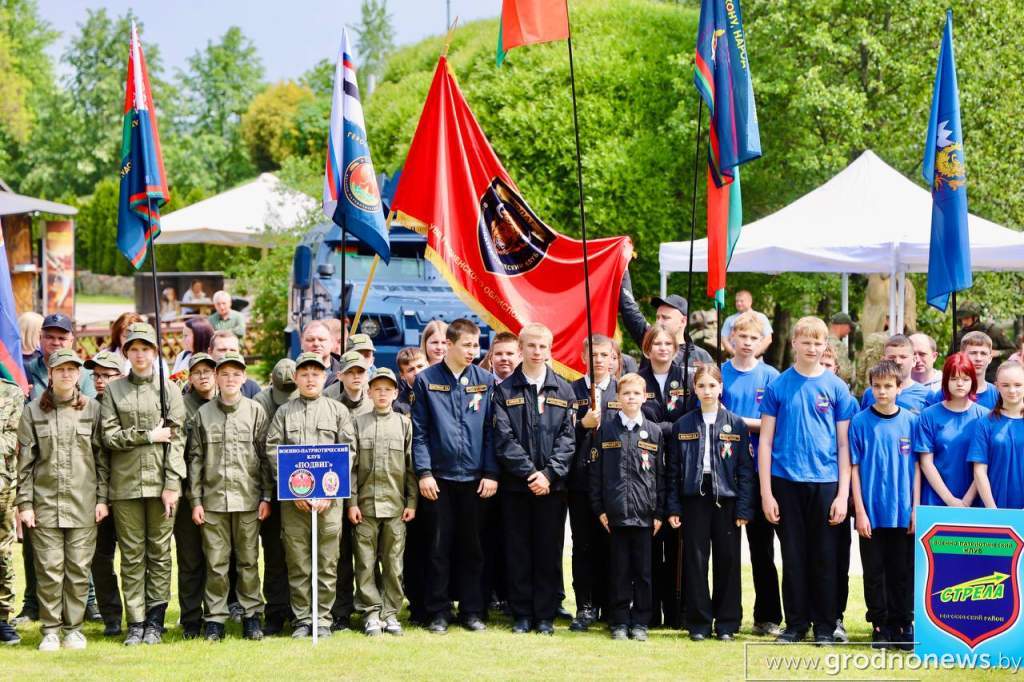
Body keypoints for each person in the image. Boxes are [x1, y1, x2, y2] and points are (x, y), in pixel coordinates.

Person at [758, 316, 857, 644]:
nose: (813, 348)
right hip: (785, 482)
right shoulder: (778, 386)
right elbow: (766, 442)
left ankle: (826, 627)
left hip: (826, 483)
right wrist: (766, 493)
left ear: (826, 346)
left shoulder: (836, 388)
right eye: (807, 342)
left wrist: (843, 495)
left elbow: (844, 445)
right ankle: (796, 624)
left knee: (825, 558)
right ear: (794, 344)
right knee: (794, 557)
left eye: (819, 343)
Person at [99, 322, 187, 646]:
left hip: (160, 485)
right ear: (126, 353)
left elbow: (177, 440)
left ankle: (155, 620)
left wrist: (172, 484)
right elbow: (108, 437)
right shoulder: (113, 390)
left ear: (154, 352)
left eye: (145, 348)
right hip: (125, 487)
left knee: (161, 554)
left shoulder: (170, 390)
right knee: (132, 555)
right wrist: (148, 436)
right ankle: (135, 621)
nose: (139, 355)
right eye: (133, 349)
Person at [411, 318, 497, 634]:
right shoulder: (426, 380)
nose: (473, 351)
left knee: (472, 549)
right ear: (449, 344)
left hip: (475, 479)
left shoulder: (485, 380)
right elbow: (419, 432)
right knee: (437, 548)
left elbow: (491, 430)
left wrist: (490, 472)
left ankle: (472, 611)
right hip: (439, 479)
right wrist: (424, 472)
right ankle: (438, 611)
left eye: (476, 345)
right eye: (467, 345)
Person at [15, 349, 105, 651]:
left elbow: (101, 460)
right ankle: (51, 630)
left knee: (79, 569)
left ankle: (74, 629)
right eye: (60, 369)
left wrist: (102, 499)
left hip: (83, 503)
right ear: (50, 373)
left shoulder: (91, 410)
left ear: (79, 374)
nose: (66, 374)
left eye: (72, 369)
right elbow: (24, 465)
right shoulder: (33, 412)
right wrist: (25, 505)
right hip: (45, 505)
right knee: (50, 569)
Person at [493, 323, 575, 636]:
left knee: (548, 551)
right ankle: (522, 614)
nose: (536, 352)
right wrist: (530, 473)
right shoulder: (505, 390)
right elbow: (504, 439)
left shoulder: (563, 390)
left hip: (552, 489)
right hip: (517, 486)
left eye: (542, 347)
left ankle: (544, 615)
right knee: (518, 550)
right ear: (521, 349)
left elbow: (568, 439)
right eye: (531, 346)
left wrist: (549, 474)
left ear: (549, 349)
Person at [266, 352, 354, 639]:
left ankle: (323, 619)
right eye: (304, 373)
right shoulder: (284, 413)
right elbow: (273, 451)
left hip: (329, 503)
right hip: (296, 504)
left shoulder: (338, 411)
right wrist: (293, 492)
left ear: (325, 375)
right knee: (298, 561)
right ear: (296, 378)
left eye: (316, 373)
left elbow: (349, 452)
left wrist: (331, 491)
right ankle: (303, 619)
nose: (310, 378)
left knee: (327, 562)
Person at [188, 351, 271, 642]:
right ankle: (215, 619)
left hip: (248, 500)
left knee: (248, 561)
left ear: (244, 377)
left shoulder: (255, 411)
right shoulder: (203, 414)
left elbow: (264, 457)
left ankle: (251, 616)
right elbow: (195, 460)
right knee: (216, 564)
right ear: (217, 378)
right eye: (225, 374)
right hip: (213, 502)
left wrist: (266, 496)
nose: (231, 379)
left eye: (236, 374)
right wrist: (196, 501)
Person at [668, 364, 753, 641]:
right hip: (695, 497)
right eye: (702, 386)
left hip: (726, 499)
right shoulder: (684, 424)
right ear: (694, 389)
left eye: (712, 385)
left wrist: (743, 507)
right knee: (695, 560)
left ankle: (727, 623)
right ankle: (699, 623)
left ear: (721, 388)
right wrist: (674, 506)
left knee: (727, 561)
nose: (707, 391)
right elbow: (673, 470)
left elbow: (744, 470)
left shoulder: (736, 423)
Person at [720, 312, 782, 637]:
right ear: (731, 339)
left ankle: (768, 615)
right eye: (741, 336)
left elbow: (774, 424)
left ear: (762, 342)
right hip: (725, 471)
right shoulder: (720, 374)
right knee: (727, 551)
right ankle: (726, 615)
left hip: (759, 472)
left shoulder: (772, 377)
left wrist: (737, 423)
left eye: (752, 338)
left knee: (762, 549)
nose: (746, 343)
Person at [590, 372, 664, 641]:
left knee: (644, 573)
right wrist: (600, 509)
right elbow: (595, 473)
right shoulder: (606, 430)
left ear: (644, 397)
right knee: (619, 571)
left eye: (636, 394)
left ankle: (641, 622)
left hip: (645, 516)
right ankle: (619, 621)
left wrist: (659, 513)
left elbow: (661, 476)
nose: (631, 398)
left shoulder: (654, 432)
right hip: (616, 514)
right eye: (626, 394)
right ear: (618, 398)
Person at [850, 360, 918, 650]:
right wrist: (860, 511)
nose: (882, 391)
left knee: (902, 572)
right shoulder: (860, 422)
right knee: (874, 573)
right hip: (872, 513)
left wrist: (916, 508)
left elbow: (918, 468)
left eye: (888, 386)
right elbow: (853, 468)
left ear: (899, 388)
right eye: (876, 386)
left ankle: (902, 624)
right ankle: (880, 625)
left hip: (903, 512)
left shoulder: (913, 421)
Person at [347, 368, 415, 637]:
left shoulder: (404, 424)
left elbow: (412, 469)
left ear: (396, 393)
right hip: (364, 507)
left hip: (396, 507)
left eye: (388, 389)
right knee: (364, 563)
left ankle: (390, 613)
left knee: (394, 563)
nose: (383, 393)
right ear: (369, 392)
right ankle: (371, 612)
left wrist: (413, 503)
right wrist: (351, 503)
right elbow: (350, 468)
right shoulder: (357, 424)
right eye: (377, 389)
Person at [637, 324, 693, 628]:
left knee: (677, 547)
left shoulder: (686, 379)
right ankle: (649, 612)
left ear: (676, 348)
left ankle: (677, 612)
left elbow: (689, 422)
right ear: (647, 348)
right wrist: (669, 428)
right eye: (655, 343)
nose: (662, 348)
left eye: (667, 343)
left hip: (680, 468)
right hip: (645, 469)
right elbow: (642, 423)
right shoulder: (637, 381)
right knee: (648, 545)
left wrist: (663, 427)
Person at [567, 335, 617, 632]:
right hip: (581, 480)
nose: (599, 360)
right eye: (593, 355)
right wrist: (580, 424)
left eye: (604, 355)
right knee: (583, 545)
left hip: (613, 481)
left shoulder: (622, 390)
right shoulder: (570, 390)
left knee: (611, 545)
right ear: (584, 357)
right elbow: (558, 434)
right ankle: (586, 606)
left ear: (613, 358)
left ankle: (611, 604)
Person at [325, 351, 371, 630]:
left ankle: (370, 609)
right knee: (339, 555)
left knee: (369, 557)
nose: (356, 376)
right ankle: (340, 611)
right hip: (337, 492)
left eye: (361, 371)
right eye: (350, 372)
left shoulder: (378, 404)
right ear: (340, 375)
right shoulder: (329, 404)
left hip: (370, 493)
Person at [251, 358, 297, 636]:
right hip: (270, 486)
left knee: (301, 554)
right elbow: (260, 452)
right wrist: (267, 494)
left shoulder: (307, 399)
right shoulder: (260, 401)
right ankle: (276, 610)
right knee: (274, 553)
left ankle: (301, 610)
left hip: (301, 487)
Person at [83, 351, 126, 637]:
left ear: (119, 376)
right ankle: (110, 615)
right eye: (96, 375)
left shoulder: (128, 407)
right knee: (100, 559)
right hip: (97, 495)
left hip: (127, 491)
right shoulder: (87, 408)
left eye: (106, 376)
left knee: (137, 559)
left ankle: (143, 616)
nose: (99, 381)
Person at [176, 352, 217, 639]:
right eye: (197, 371)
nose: (203, 376)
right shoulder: (181, 407)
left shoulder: (223, 404)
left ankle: (218, 613)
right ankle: (191, 617)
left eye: (208, 371)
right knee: (190, 559)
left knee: (217, 559)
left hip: (216, 494)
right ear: (189, 377)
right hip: (186, 494)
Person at [915, 353, 987, 508]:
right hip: (935, 500)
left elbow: (985, 464)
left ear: (973, 381)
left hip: (974, 501)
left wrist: (967, 500)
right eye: (954, 379)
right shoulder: (929, 415)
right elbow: (926, 462)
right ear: (945, 381)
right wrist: (950, 500)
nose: (959, 384)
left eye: (965, 379)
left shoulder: (984, 416)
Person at [618, 273, 713, 368]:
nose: (659, 322)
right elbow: (629, 309)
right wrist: (624, 270)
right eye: (657, 317)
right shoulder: (649, 339)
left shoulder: (701, 356)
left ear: (683, 321)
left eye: (665, 317)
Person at [970, 361, 1024, 509]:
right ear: (997, 386)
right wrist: (993, 511)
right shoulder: (985, 423)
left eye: (1018, 385)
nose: (1012, 390)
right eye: (1005, 385)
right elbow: (979, 470)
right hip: (993, 507)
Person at [0, 376, 25, 645]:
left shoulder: (11, 392)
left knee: (2, 552)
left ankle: (2, 618)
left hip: (2, 484)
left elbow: (12, 439)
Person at [26, 314, 96, 400]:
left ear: (71, 341)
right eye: (49, 337)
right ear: (40, 338)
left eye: (62, 338)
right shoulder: (27, 370)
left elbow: (91, 409)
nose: (56, 342)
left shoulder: (86, 372)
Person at [860, 335, 930, 414]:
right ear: (883, 360)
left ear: (914, 360)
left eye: (903, 357)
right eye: (892, 357)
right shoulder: (870, 393)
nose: (897, 361)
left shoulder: (927, 395)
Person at [953, 302, 1014, 381]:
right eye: (962, 319)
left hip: (992, 377)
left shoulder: (992, 330)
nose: (964, 322)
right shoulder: (958, 335)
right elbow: (950, 357)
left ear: (975, 318)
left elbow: (1013, 350)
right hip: (967, 377)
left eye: (967, 318)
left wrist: (999, 353)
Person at [938, 331, 1000, 410]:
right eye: (973, 353)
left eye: (983, 353)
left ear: (990, 358)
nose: (978, 358)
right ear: (961, 355)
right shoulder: (945, 393)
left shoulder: (997, 394)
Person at [208, 331, 260, 399]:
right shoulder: (200, 386)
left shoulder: (251, 388)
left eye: (232, 350)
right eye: (222, 350)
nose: (228, 354)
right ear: (210, 352)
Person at [721, 290, 773, 357]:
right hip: (734, 358)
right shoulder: (729, 320)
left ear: (750, 302)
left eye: (742, 301)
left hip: (757, 359)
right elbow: (724, 339)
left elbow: (768, 339)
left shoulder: (761, 317)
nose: (739, 303)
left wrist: (754, 354)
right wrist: (734, 353)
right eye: (737, 301)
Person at [300, 321, 343, 387]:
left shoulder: (345, 372)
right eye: (310, 339)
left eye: (321, 339)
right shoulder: (291, 373)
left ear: (331, 343)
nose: (316, 344)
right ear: (302, 343)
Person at [394, 347, 428, 416]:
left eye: (420, 366)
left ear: (428, 365)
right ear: (402, 375)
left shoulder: (443, 393)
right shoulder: (400, 406)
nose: (417, 372)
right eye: (410, 370)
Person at [826, 313, 856, 386]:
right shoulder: (838, 345)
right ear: (844, 326)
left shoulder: (821, 341)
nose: (849, 331)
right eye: (850, 327)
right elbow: (844, 372)